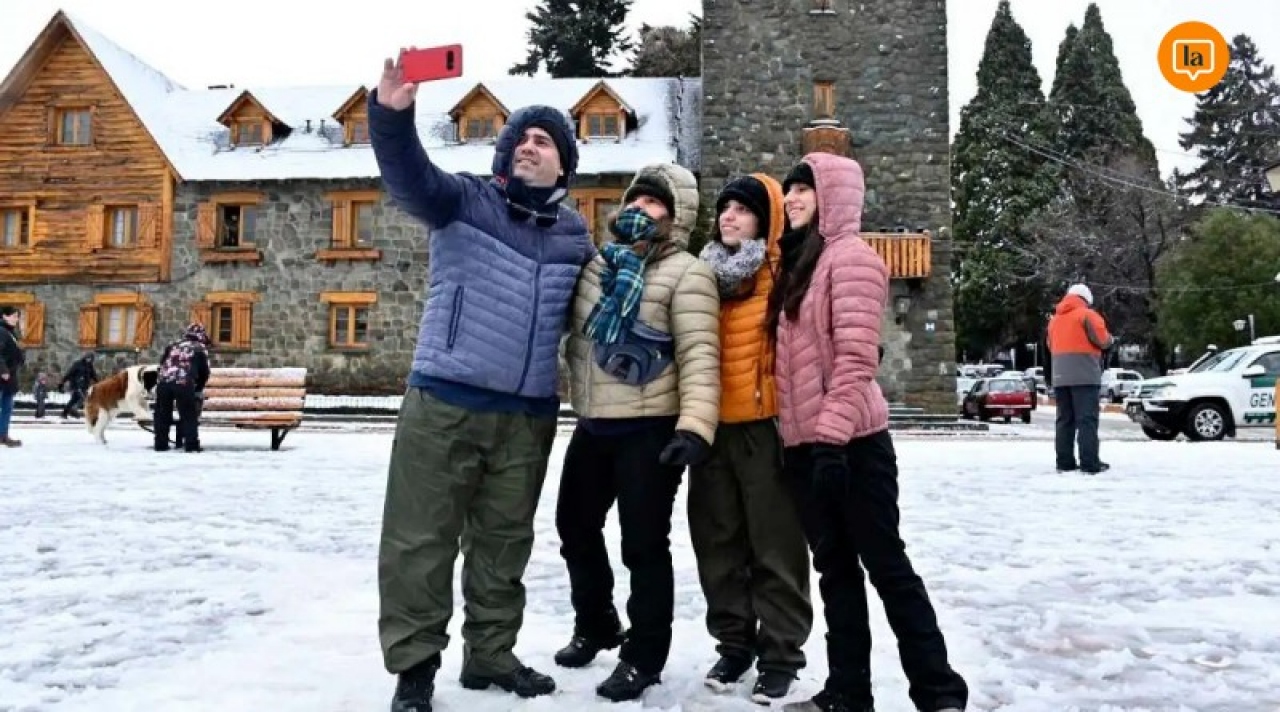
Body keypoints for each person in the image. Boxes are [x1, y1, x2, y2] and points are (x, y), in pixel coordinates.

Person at [368, 51, 595, 712]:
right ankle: (414, 670)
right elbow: (407, 177)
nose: (529, 145)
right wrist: (392, 114)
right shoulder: (462, 200)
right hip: (445, 400)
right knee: (419, 541)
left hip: (527, 415)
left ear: (564, 166)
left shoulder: (576, 237)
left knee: (504, 544)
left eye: (544, 140)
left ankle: (491, 655)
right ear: (504, 157)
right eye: (520, 138)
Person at [769, 154, 967, 712]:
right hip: (809, 449)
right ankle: (848, 691)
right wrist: (801, 444)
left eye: (804, 189)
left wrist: (831, 441)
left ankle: (940, 692)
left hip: (854, 447)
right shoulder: (802, 262)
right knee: (835, 573)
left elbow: (857, 361)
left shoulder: (853, 259)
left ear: (834, 194)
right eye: (790, 191)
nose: (793, 199)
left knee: (886, 565)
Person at [555, 161, 720, 702]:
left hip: (650, 428)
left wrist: (694, 427)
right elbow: (573, 336)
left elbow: (700, 354)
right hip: (594, 422)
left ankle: (644, 655)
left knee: (643, 545)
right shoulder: (600, 265)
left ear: (675, 217)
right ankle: (597, 622)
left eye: (653, 203)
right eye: (636, 200)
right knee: (574, 526)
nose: (639, 209)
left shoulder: (688, 272)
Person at [690, 174, 812, 702]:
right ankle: (733, 645)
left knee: (775, 547)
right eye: (724, 209)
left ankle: (781, 653)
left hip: (767, 430)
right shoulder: (702, 275)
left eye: (742, 209)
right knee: (717, 545)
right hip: (711, 428)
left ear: (766, 219)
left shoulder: (784, 271)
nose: (728, 217)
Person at [1046, 283, 1112, 474]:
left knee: (1064, 420)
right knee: (1086, 421)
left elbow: (1051, 346)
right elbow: (1103, 340)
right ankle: (1089, 463)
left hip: (1060, 376)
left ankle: (1064, 462)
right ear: (1086, 299)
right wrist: (1111, 340)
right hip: (1085, 375)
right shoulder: (1087, 315)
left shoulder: (1054, 320)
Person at [153, 323, 211, 453]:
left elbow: (162, 364)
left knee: (162, 414)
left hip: (164, 382)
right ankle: (191, 445)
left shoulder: (172, 345)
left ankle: (160, 444)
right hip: (184, 383)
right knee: (188, 415)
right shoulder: (200, 349)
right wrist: (198, 388)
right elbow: (205, 372)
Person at [0, 305, 26, 447]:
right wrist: (3, 370)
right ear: (4, 316)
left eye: (17, 316)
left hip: (9, 376)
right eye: (14, 316)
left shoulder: (10, 333)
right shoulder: (2, 331)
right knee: (4, 405)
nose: (17, 319)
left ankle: (3, 435)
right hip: (3, 376)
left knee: (7, 406)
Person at [58, 353, 97, 419]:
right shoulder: (78, 364)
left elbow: (93, 375)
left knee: (73, 400)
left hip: (84, 386)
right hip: (76, 385)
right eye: (88, 358)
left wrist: (98, 382)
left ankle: (64, 413)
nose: (89, 360)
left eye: (90, 359)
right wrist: (62, 382)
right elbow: (69, 373)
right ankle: (73, 410)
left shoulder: (90, 366)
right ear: (85, 357)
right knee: (83, 398)